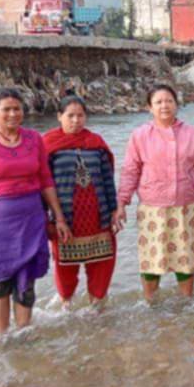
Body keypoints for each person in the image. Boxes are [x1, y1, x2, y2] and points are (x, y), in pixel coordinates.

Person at [0, 87, 71, 333]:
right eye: (6, 109)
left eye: (17, 109)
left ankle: (24, 333)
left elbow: (45, 181)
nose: (12, 114)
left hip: (31, 219)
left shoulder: (34, 140)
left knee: (26, 282)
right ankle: (2, 338)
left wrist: (59, 218)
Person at [115, 83, 194, 301]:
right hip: (152, 209)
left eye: (169, 101)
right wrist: (122, 202)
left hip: (185, 207)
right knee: (152, 259)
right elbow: (130, 171)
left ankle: (187, 303)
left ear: (176, 104)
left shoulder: (192, 134)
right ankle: (150, 303)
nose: (164, 106)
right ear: (149, 107)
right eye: (158, 102)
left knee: (185, 257)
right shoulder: (140, 136)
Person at [43, 94, 118, 307]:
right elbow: (42, 185)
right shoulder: (48, 145)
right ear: (59, 116)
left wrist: (114, 211)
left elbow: (107, 180)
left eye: (81, 115)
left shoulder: (96, 143)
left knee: (102, 267)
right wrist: (48, 220)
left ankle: (97, 312)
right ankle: (66, 310)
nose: (76, 120)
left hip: (98, 219)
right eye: (70, 115)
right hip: (66, 221)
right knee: (65, 271)